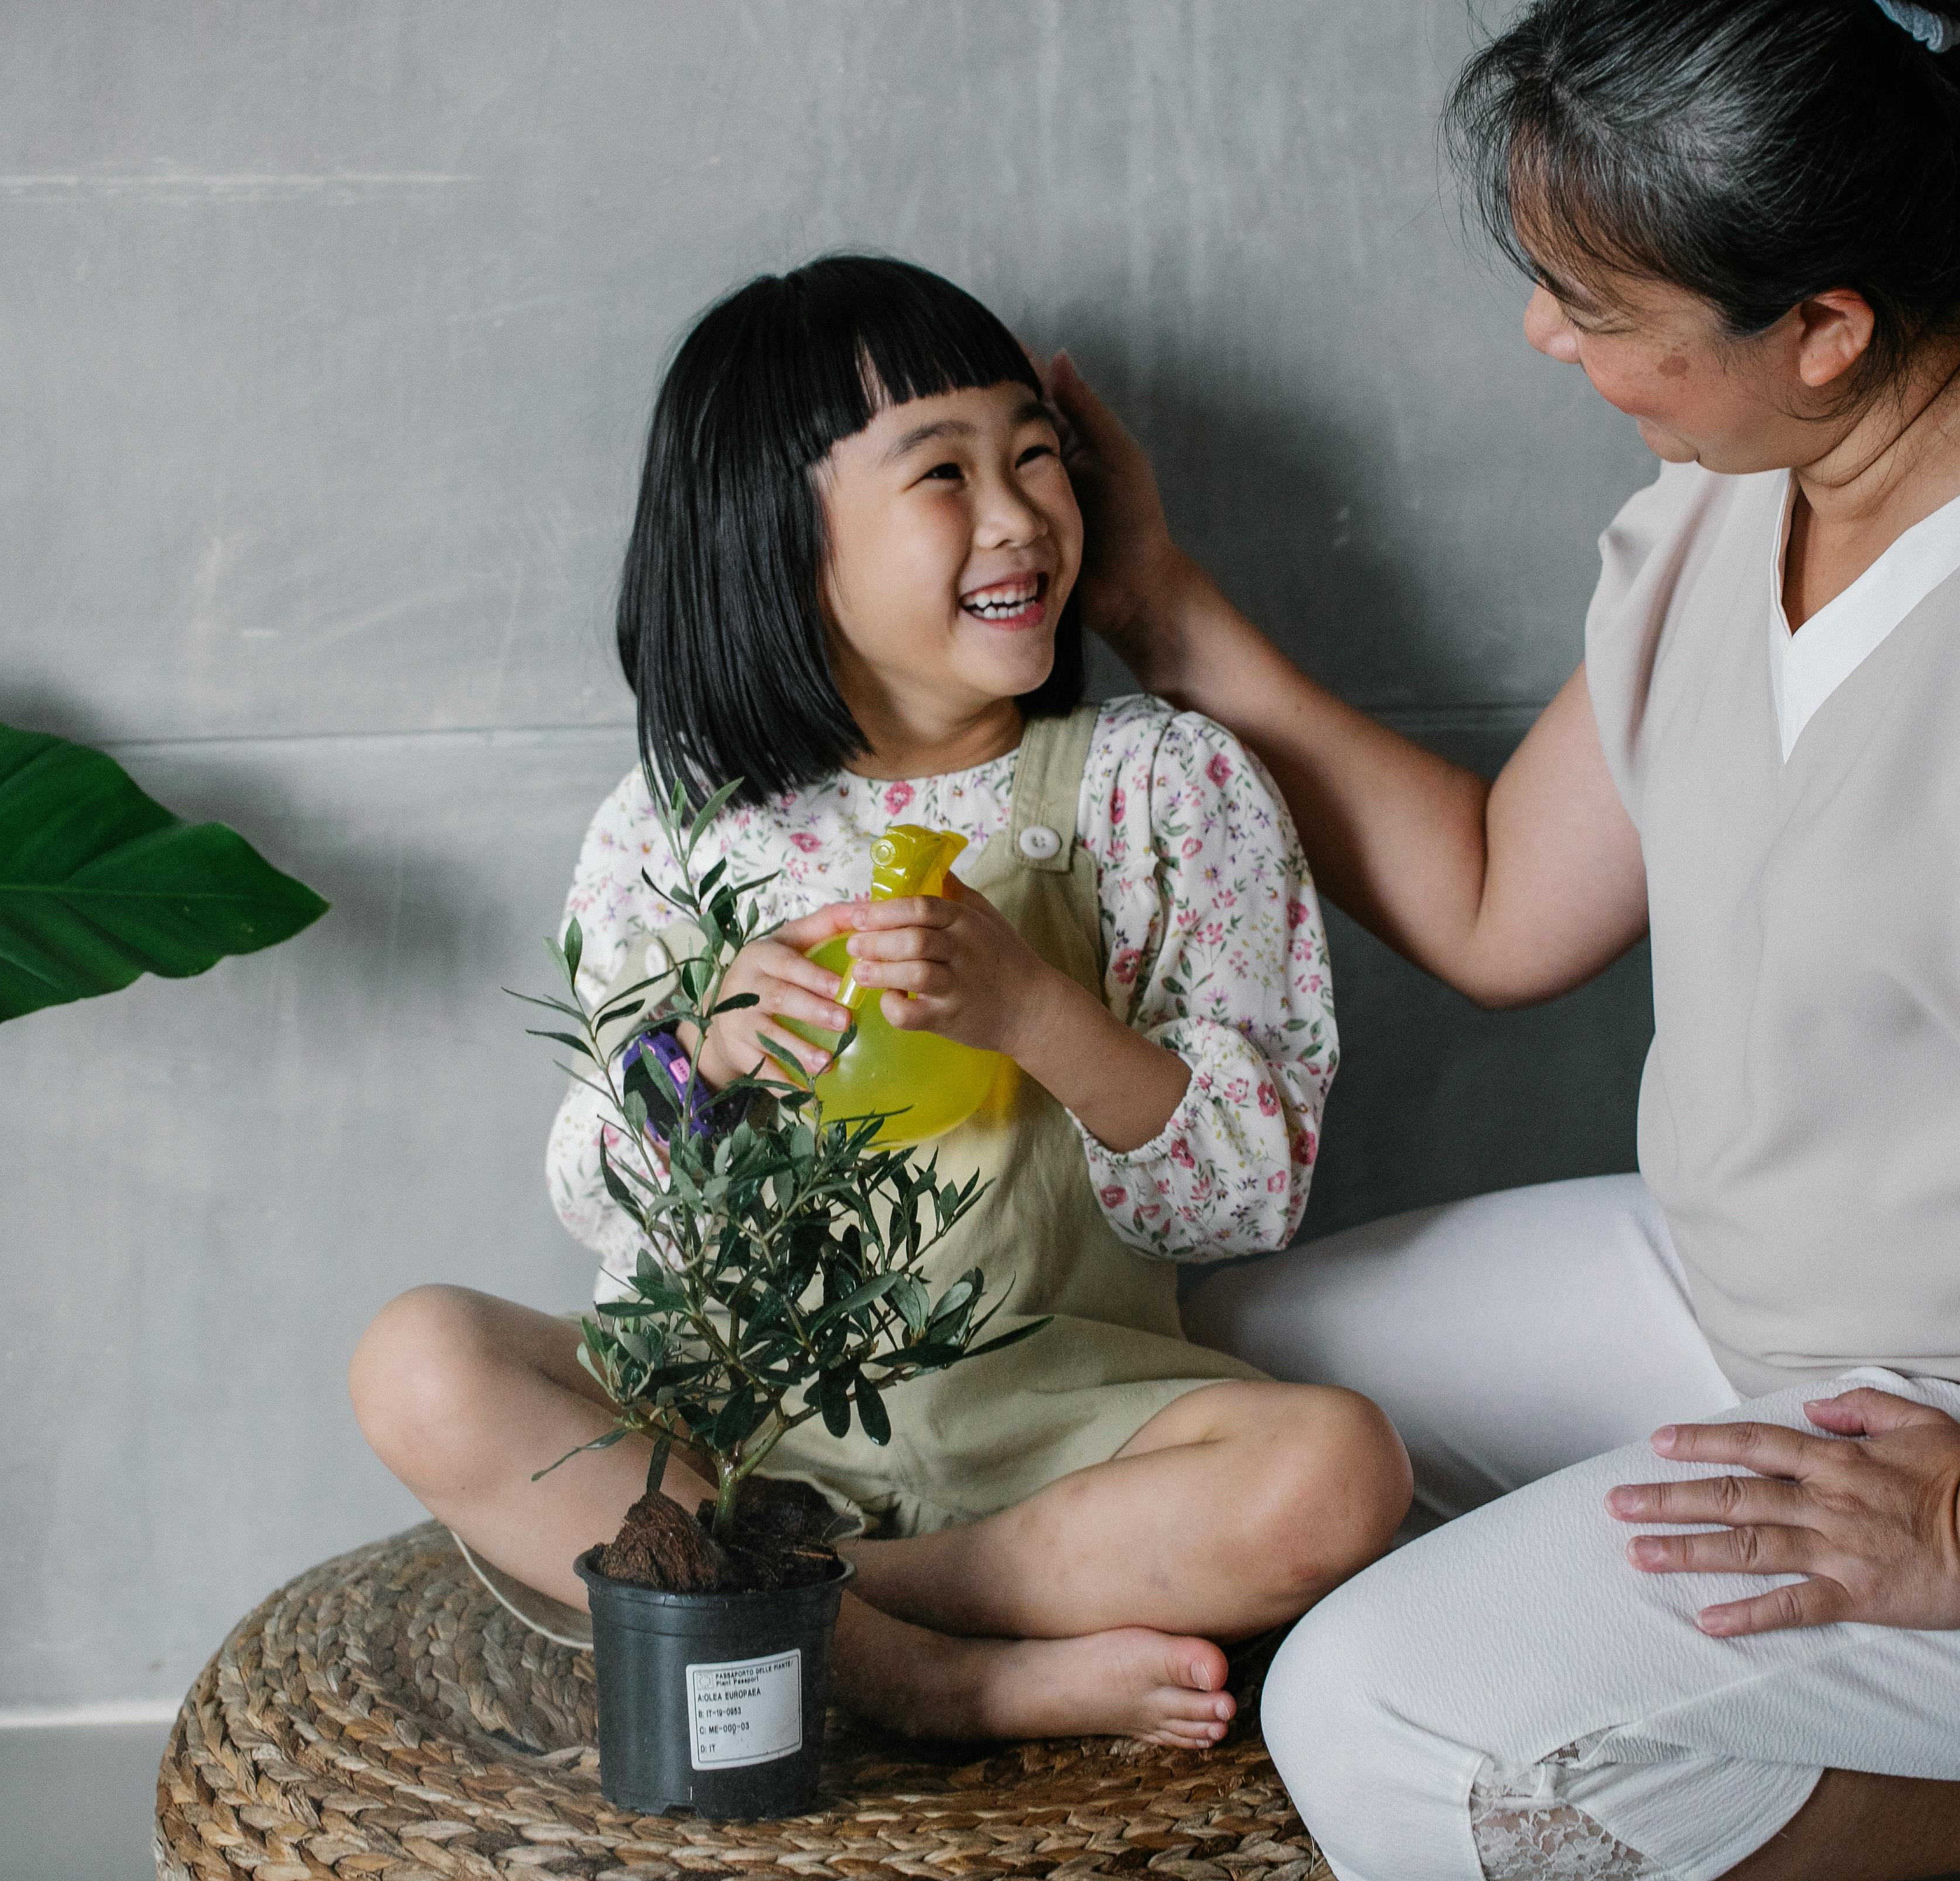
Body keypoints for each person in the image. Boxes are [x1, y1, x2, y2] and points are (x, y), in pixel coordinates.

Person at [1046, 0, 1960, 1873]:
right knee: (1186, 1383)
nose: (1545, 338)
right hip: (1773, 1298)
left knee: (1386, 1726)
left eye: (1590, 299)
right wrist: (1161, 613)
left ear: (1819, 318)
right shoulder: (1777, 457)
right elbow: (1497, 905)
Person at [349, 254, 1410, 1749]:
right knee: (418, 1360)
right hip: (726, 1425)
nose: (1022, 513)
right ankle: (935, 1678)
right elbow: (596, 1199)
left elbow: (1242, 1201)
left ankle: (794, 1606)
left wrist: (1040, 1014)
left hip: (1048, 1421)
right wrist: (699, 1058)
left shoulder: (1162, 787)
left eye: (1035, 454)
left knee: (1339, 1474)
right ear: (783, 542)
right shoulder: (676, 836)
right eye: (946, 472)